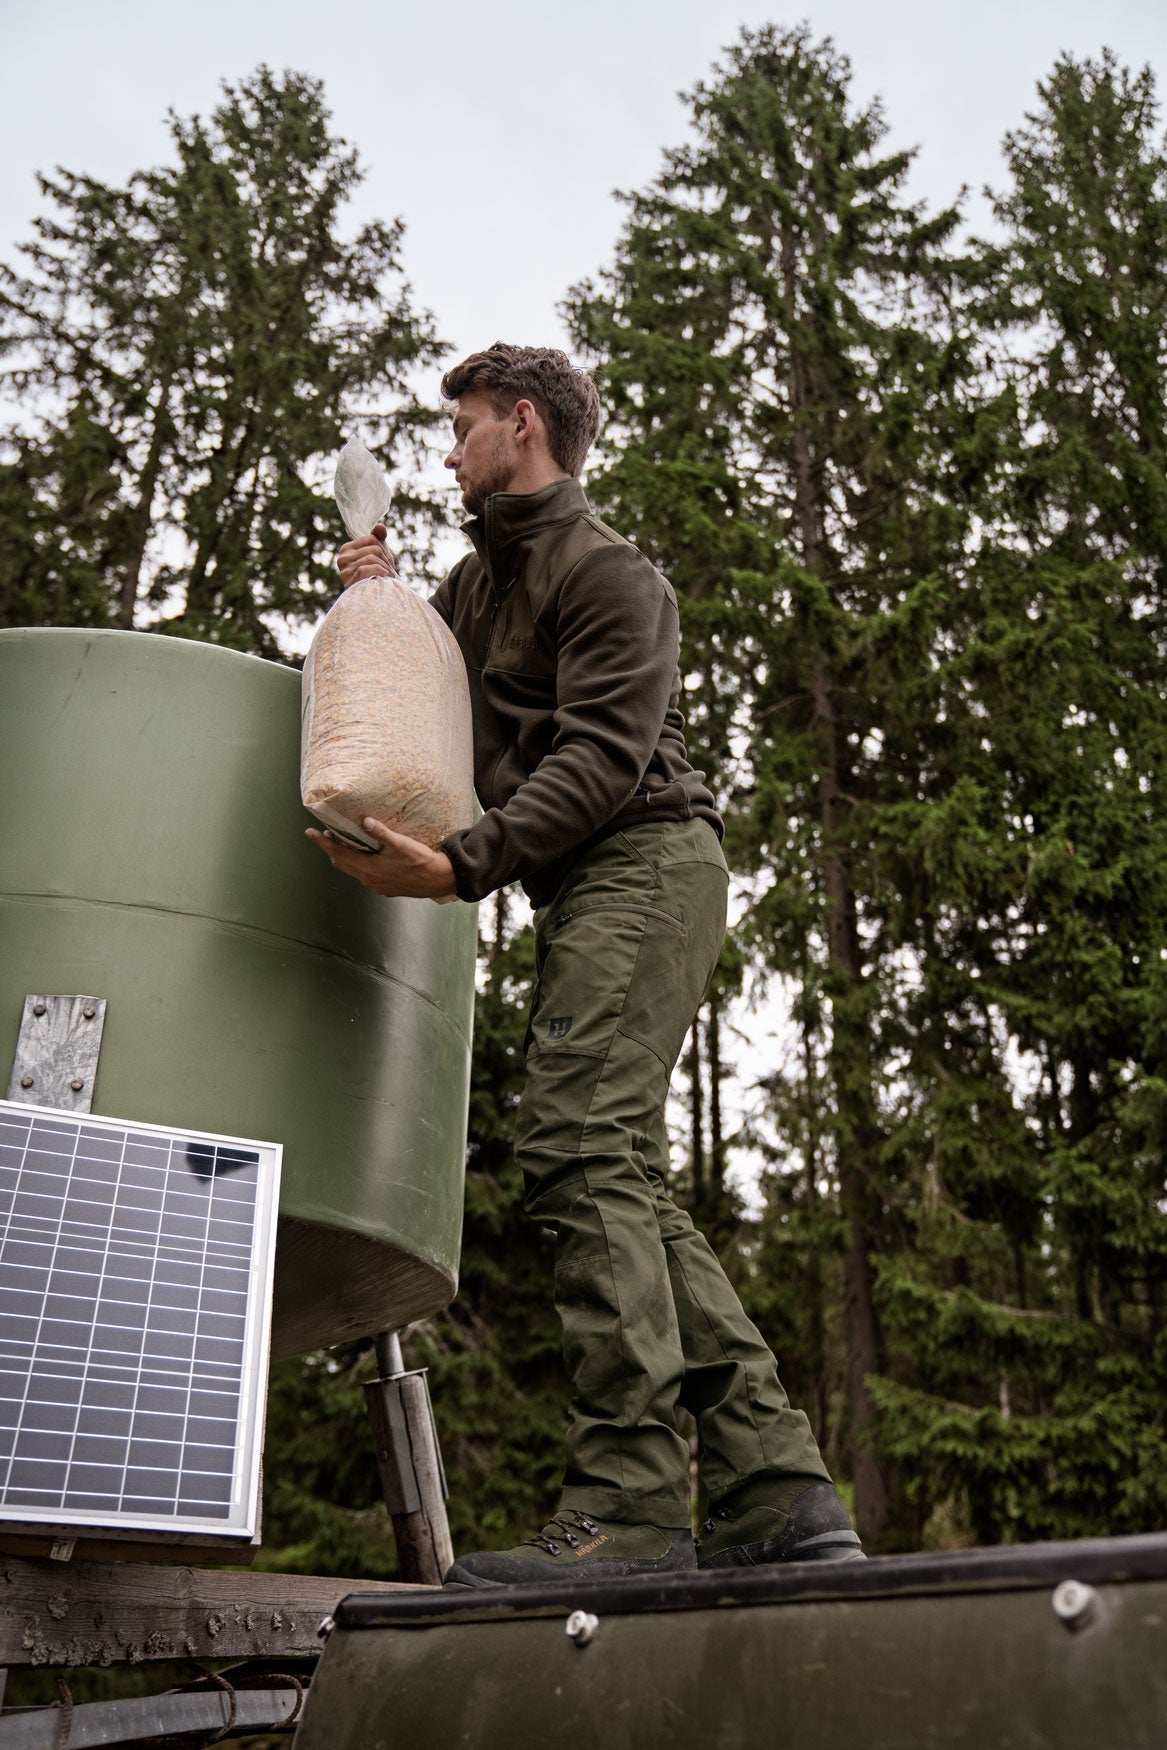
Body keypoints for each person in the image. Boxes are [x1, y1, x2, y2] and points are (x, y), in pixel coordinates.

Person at [311, 343, 862, 1589]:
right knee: (618, 1173)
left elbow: (601, 761)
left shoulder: (612, 574)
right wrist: (378, 592)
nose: (446, 451)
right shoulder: (470, 588)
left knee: (571, 1143)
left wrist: (461, 867)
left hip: (650, 861)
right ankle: (777, 1487)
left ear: (522, 425)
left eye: (461, 429)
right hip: (584, 887)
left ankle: (627, 1502)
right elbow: (416, 699)